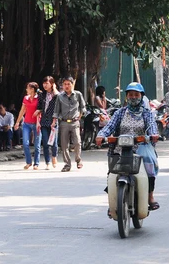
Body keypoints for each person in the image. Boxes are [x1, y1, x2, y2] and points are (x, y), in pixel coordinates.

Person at [95, 82, 160, 210]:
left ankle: (150, 196)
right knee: (112, 172)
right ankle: (113, 202)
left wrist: (154, 135)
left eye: (136, 94)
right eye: (130, 95)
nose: (133, 97)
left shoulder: (147, 113)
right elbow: (109, 126)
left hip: (142, 146)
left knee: (149, 165)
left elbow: (152, 127)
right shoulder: (120, 112)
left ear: (141, 96)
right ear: (126, 97)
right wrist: (101, 135)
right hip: (121, 147)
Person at [52, 76, 86, 172]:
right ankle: (67, 164)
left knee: (77, 142)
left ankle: (78, 160)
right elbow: (56, 110)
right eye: (65, 84)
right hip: (63, 123)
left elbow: (83, 107)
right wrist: (54, 121)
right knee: (64, 145)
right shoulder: (60, 97)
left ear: (72, 85)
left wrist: (81, 114)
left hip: (75, 122)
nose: (66, 86)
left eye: (68, 84)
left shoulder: (78, 94)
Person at [34, 76, 59, 169]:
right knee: (45, 142)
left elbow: (57, 108)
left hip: (53, 120)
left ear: (52, 84)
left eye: (47, 83)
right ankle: (47, 162)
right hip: (44, 121)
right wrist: (38, 121)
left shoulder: (56, 95)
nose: (45, 85)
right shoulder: (41, 94)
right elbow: (39, 107)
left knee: (54, 142)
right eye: (44, 83)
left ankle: (54, 157)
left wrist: (55, 89)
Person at [15, 82, 41, 170]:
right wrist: (17, 122)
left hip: (36, 124)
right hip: (26, 123)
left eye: (28, 88)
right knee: (25, 143)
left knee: (37, 145)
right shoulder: (25, 98)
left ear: (32, 89)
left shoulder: (39, 98)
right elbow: (22, 111)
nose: (26, 90)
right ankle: (29, 162)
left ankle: (36, 163)